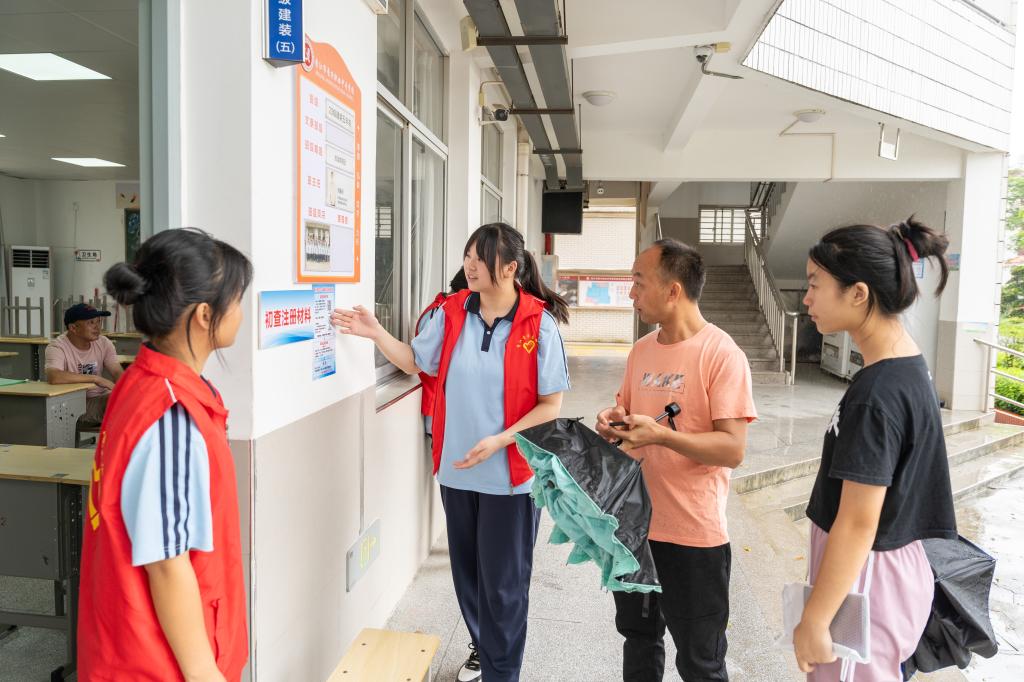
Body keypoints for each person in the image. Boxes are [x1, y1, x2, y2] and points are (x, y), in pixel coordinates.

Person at [333, 222, 571, 682]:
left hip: (511, 478)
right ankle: (486, 653)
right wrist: (375, 332)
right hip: (457, 474)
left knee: (503, 589)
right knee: (470, 581)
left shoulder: (537, 324)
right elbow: (415, 361)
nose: (470, 265)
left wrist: (501, 440)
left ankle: (501, 674)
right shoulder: (453, 312)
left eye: (481, 258)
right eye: (468, 256)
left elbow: (550, 406)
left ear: (511, 267)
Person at [78, 228, 253, 681]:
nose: (242, 313)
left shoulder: (142, 383)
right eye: (237, 300)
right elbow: (167, 563)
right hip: (158, 661)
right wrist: (204, 673)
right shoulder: (171, 412)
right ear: (204, 314)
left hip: (132, 640)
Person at [794, 218, 956, 681]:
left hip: (867, 582)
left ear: (858, 293)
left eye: (815, 284)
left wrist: (816, 618)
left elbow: (859, 521)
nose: (806, 298)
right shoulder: (905, 366)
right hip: (883, 573)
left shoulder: (877, 393)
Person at [595, 239, 757, 682]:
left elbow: (733, 448)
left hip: (693, 536)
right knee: (639, 641)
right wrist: (613, 421)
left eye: (638, 282)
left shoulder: (722, 354)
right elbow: (629, 414)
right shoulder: (642, 350)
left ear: (673, 291)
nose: (631, 293)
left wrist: (663, 436)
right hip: (634, 528)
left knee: (701, 662)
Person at [45, 303, 123, 423]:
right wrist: (96, 379)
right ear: (73, 328)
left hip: (102, 397)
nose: (97, 327)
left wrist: (126, 389)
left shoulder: (103, 343)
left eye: (98, 321)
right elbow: (54, 376)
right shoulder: (57, 347)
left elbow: (117, 371)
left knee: (133, 399)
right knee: (119, 402)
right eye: (91, 323)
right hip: (75, 404)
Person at [415, 267, 469, 435]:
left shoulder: (442, 308)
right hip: (437, 404)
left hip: (445, 405)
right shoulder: (440, 312)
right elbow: (424, 362)